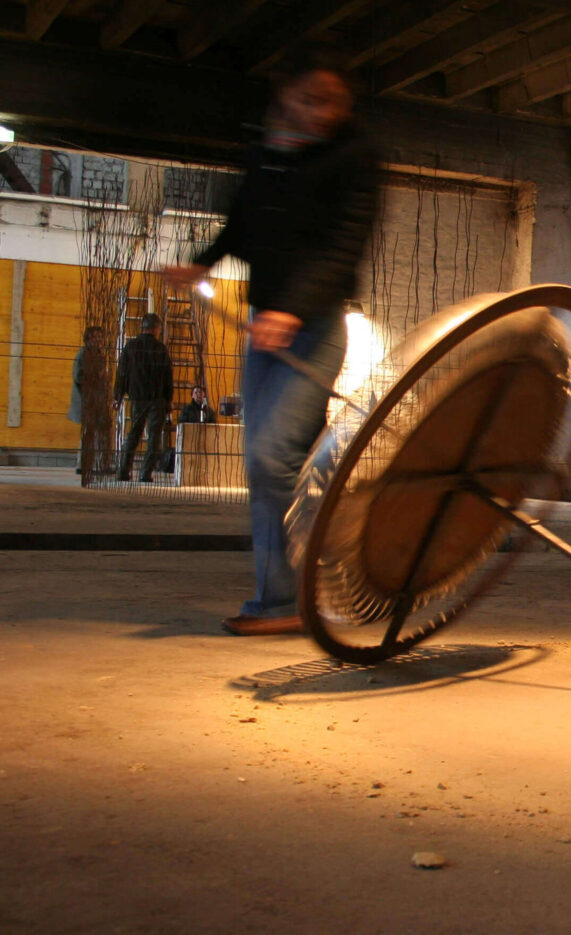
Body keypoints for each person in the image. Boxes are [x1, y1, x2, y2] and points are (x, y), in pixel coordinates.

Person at [166, 45, 379, 637]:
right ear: (284, 94)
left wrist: (292, 308)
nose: (321, 114)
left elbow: (342, 249)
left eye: (333, 103)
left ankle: (295, 593)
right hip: (266, 323)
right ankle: (281, 597)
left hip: (314, 326)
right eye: (309, 100)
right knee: (264, 465)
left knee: (272, 456)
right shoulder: (267, 152)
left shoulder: (355, 158)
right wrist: (201, 263)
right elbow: (244, 223)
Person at [112, 313, 173, 483]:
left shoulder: (131, 346)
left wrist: (117, 395)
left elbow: (122, 373)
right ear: (156, 329)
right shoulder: (161, 349)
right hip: (157, 398)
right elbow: (168, 376)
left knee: (133, 434)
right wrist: (169, 399)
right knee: (154, 437)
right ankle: (145, 474)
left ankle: (124, 472)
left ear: (143, 327)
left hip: (137, 397)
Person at [70, 325, 113, 482]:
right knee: (88, 433)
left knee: (102, 431)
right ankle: (83, 464)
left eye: (100, 337)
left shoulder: (100, 355)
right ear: (88, 339)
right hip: (88, 400)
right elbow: (79, 377)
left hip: (98, 399)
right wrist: (97, 377)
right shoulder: (83, 354)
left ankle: (100, 464)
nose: (99, 340)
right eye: (95, 337)